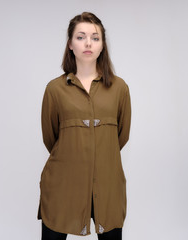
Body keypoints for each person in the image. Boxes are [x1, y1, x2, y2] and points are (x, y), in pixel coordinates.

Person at [37, 12, 131, 240]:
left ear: (102, 46)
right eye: (81, 37)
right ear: (70, 44)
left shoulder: (119, 88)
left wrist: (98, 152)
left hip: (108, 183)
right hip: (62, 182)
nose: (88, 43)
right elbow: (51, 138)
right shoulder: (54, 89)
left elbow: (121, 136)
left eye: (95, 38)